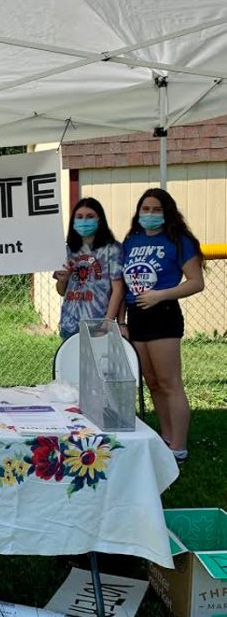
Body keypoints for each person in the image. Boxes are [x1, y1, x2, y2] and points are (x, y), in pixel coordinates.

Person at [120, 188, 204, 463]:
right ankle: (167, 438)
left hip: (163, 313)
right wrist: (121, 321)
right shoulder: (131, 241)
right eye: (146, 209)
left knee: (170, 382)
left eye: (157, 209)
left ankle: (179, 447)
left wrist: (160, 295)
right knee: (153, 382)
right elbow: (122, 284)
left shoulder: (179, 241)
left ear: (167, 212)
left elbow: (195, 282)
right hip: (137, 315)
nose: (150, 214)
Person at [53, 197, 124, 339]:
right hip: (69, 325)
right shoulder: (67, 251)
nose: (84, 221)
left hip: (98, 325)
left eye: (90, 216)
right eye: (79, 217)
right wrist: (62, 281)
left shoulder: (112, 249)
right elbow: (61, 291)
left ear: (99, 220)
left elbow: (119, 289)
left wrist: (107, 323)